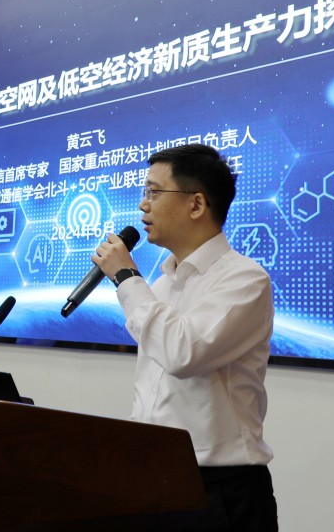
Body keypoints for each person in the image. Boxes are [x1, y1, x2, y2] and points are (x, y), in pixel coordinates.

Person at [92, 143, 278, 531]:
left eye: (154, 192)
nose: (143, 204)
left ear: (196, 205)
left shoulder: (245, 279)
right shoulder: (160, 285)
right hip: (155, 478)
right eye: (144, 192)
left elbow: (183, 354)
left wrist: (126, 277)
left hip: (220, 491)